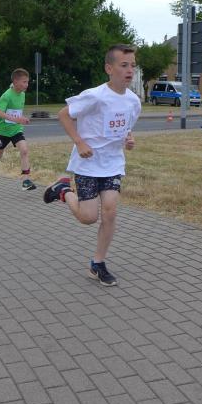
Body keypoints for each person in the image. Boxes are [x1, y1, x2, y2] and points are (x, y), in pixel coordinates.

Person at [42, 44, 142, 287]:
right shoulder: (95, 96)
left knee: (110, 211)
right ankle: (63, 191)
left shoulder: (133, 101)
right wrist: (79, 142)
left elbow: (126, 130)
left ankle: (98, 264)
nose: (130, 70)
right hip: (88, 164)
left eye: (132, 65)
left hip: (113, 164)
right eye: (124, 65)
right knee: (88, 217)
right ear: (109, 68)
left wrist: (129, 141)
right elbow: (63, 115)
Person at [0, 69, 36, 191]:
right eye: (24, 82)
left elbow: (17, 112)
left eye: (27, 82)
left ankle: (26, 180)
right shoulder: (7, 95)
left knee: (24, 150)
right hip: (3, 131)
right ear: (15, 82)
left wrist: (22, 119)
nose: (27, 85)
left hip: (16, 129)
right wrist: (15, 119)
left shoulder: (22, 94)